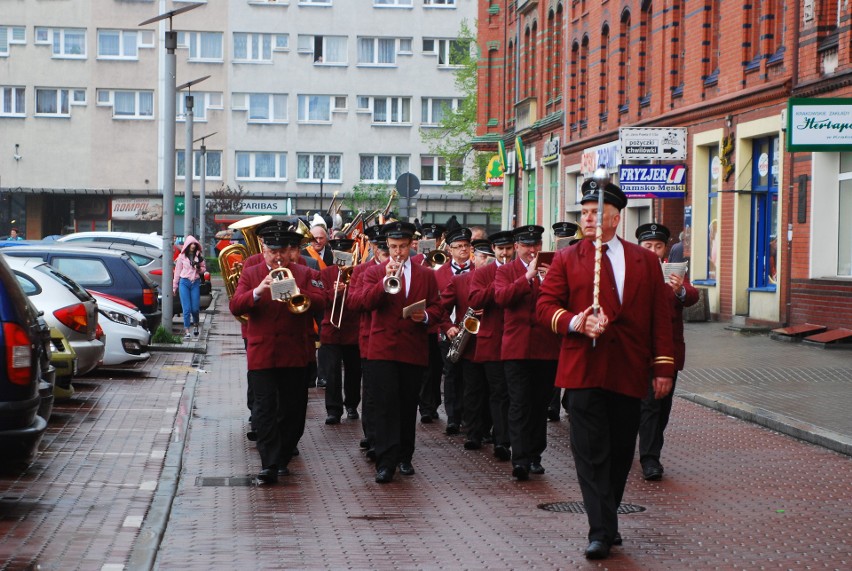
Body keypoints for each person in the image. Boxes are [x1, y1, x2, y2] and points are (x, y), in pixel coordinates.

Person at [536, 178, 675, 560]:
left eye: (597, 213)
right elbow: (545, 307)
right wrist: (576, 321)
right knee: (590, 453)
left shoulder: (644, 261)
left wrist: (663, 367)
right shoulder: (567, 258)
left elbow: (659, 319)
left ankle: (607, 517)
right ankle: (599, 530)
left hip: (628, 371)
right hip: (582, 370)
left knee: (617, 453)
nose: (590, 219)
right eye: (585, 213)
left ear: (617, 217)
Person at [229, 220, 326, 485]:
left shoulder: (304, 273)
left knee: (293, 410)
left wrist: (298, 290)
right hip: (262, 354)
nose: (278, 256)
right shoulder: (252, 273)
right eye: (273, 251)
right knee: (264, 409)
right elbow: (235, 305)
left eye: (282, 251)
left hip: (294, 352)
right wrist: (258, 292)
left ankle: (283, 455)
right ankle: (269, 463)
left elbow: (322, 300)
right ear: (264, 249)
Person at [349, 221, 442, 484]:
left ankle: (405, 457)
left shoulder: (426, 275)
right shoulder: (373, 271)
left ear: (412, 245)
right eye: (392, 247)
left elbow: (438, 308)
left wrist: (424, 316)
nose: (398, 253)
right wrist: (382, 282)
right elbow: (358, 302)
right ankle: (385, 463)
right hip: (382, 350)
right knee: (385, 406)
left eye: (402, 247)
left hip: (413, 349)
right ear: (386, 246)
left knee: (407, 405)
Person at [494, 225, 560, 481]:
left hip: (546, 348)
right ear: (517, 246)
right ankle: (520, 458)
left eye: (536, 245)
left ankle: (535, 456)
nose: (532, 250)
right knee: (519, 402)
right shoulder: (507, 271)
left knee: (539, 404)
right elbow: (502, 298)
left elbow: (561, 300)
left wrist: (550, 278)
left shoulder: (552, 270)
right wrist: (527, 278)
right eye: (526, 245)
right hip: (517, 348)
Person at [635, 223, 699, 481]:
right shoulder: (629, 269)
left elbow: (692, 295)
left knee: (662, 408)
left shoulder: (673, 273)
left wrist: (679, 290)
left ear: (665, 249)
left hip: (668, 351)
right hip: (637, 351)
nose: (652, 250)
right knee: (648, 405)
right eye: (647, 246)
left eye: (657, 246)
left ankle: (650, 450)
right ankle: (650, 459)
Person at [468, 230, 515, 462]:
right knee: (498, 392)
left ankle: (506, 436)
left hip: (516, 342)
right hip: (492, 342)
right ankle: (501, 440)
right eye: (500, 249)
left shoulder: (521, 272)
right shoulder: (484, 272)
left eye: (508, 249)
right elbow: (475, 299)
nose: (504, 253)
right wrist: (497, 283)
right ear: (494, 250)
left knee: (513, 393)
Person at [434, 225, 473, 435]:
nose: (463, 250)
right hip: (448, 331)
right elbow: (436, 305)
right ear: (449, 249)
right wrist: (447, 328)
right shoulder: (439, 273)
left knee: (469, 376)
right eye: (458, 247)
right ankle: (452, 417)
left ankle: (468, 416)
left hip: (472, 331)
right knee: (450, 375)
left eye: (466, 246)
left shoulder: (478, 270)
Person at [320, 238, 362, 425]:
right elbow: (320, 300)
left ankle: (352, 405)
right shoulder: (326, 273)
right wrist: (333, 293)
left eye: (345, 254)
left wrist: (350, 289)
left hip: (353, 329)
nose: (341, 258)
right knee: (332, 372)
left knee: (354, 371)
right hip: (331, 329)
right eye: (338, 254)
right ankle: (333, 410)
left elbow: (362, 298)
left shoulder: (358, 272)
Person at [547, 221, 579, 422]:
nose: (562, 242)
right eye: (559, 238)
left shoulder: (578, 257)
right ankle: (552, 405)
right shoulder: (548, 258)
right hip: (557, 317)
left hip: (574, 316)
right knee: (555, 362)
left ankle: (569, 399)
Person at [173, 235, 207, 339]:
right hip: (184, 282)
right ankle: (187, 330)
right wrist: (174, 286)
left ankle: (195, 324)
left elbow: (204, 268)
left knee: (195, 308)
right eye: (191, 244)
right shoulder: (182, 257)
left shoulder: (198, 256)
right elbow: (177, 271)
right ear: (187, 245)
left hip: (195, 282)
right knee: (186, 309)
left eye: (194, 244)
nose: (193, 246)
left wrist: (198, 269)